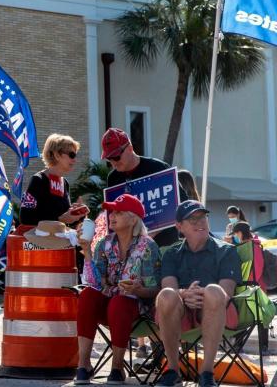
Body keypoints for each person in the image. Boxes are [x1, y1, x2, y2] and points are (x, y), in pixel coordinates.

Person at [74, 194, 161, 385]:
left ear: (133, 218)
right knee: (88, 295)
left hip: (136, 308)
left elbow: (155, 290)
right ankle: (83, 365)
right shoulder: (105, 243)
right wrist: (87, 252)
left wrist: (138, 290)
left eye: (119, 213)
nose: (112, 215)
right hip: (108, 304)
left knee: (120, 301)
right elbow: (95, 283)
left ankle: (117, 367)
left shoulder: (147, 246)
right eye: (111, 211)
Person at [154, 200, 241, 387]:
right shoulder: (171, 254)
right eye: (192, 219)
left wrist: (202, 294)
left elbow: (226, 293)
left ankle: (207, 372)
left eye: (202, 217)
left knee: (214, 291)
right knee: (167, 295)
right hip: (180, 310)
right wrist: (184, 294)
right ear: (179, 226)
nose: (199, 222)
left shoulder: (226, 251)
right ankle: (172, 369)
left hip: (217, 310)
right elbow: (168, 286)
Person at [102, 128, 180, 248]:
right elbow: (115, 214)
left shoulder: (157, 168)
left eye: (116, 157)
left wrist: (154, 230)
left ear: (130, 148)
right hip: (132, 248)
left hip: (164, 245)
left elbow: (181, 204)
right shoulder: (113, 178)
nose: (114, 163)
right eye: (109, 159)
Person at [20, 134, 87, 227]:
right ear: (56, 155)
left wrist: (78, 215)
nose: (75, 160)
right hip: (41, 240)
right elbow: (26, 217)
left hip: (59, 239)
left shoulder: (64, 183)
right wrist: (60, 219)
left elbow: (66, 221)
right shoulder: (38, 180)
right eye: (72, 155)